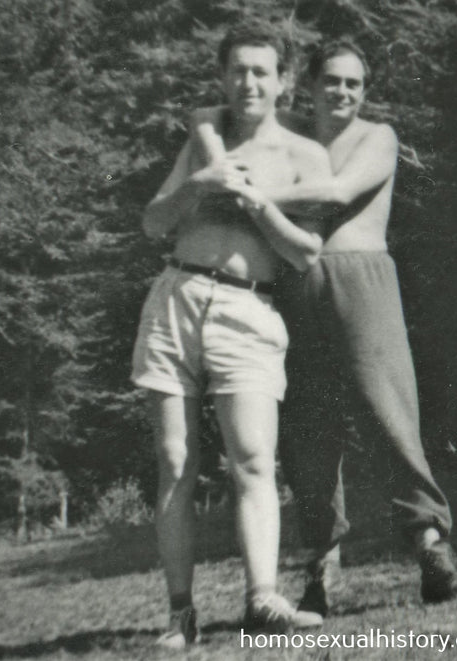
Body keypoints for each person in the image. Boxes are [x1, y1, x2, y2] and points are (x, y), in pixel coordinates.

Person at [191, 37, 457, 618]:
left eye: (354, 84)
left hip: (362, 281)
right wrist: (207, 133)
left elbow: (337, 192)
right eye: (333, 81)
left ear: (364, 92)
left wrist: (250, 195)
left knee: (388, 412)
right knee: (306, 427)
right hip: (294, 285)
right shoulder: (291, 132)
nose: (343, 92)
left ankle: (432, 551)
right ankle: (320, 566)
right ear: (310, 85)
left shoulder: (378, 137)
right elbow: (207, 114)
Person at [131, 22, 332, 649]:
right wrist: (200, 184)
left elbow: (306, 253)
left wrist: (256, 202)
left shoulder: (306, 156)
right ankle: (180, 615)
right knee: (175, 462)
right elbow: (153, 223)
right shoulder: (201, 143)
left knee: (252, 460)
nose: (248, 81)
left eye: (261, 71)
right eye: (237, 70)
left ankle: (262, 602)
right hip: (177, 299)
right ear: (224, 77)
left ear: (284, 82)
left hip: (249, 312)